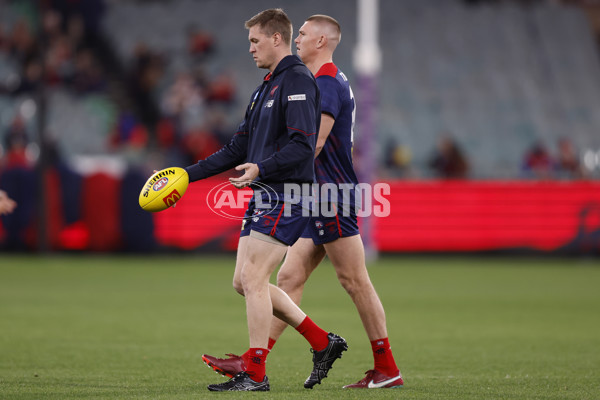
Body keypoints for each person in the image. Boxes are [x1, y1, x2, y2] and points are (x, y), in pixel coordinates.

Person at [202, 15, 403, 390]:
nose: (299, 41)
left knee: (354, 280)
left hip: (329, 194)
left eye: (305, 35)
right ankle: (264, 357)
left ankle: (386, 366)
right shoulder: (320, 81)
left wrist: (267, 167)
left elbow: (316, 143)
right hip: (311, 194)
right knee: (287, 278)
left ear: (323, 41)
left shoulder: (324, 82)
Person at [183, 9, 347, 392]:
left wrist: (261, 168)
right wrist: (186, 175)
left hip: (287, 194)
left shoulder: (298, 81)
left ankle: (254, 371)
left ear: (278, 39)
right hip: (265, 193)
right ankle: (322, 343)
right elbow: (236, 147)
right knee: (243, 281)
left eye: (256, 41)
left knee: (255, 278)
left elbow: (303, 147)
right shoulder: (265, 87)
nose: (251, 49)